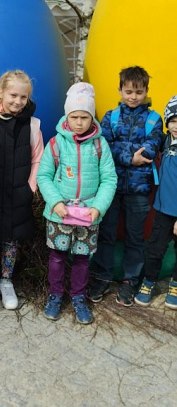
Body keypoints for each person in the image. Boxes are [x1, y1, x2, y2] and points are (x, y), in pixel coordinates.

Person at [37, 83, 117, 323]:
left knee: (82, 259)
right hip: (59, 214)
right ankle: (55, 294)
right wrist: (55, 202)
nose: (79, 123)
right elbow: (44, 175)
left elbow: (109, 178)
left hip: (89, 215)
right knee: (57, 257)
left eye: (84, 117)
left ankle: (79, 296)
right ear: (66, 116)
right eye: (74, 117)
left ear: (92, 117)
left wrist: (98, 207)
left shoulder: (100, 145)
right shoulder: (56, 143)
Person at [88, 66, 164, 306]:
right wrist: (131, 157)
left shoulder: (154, 119)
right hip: (110, 186)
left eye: (139, 92)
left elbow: (152, 147)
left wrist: (124, 150)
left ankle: (131, 280)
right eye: (129, 91)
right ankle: (101, 276)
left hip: (139, 189)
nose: (133, 97)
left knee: (135, 237)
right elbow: (103, 146)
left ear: (146, 91)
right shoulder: (110, 117)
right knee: (106, 233)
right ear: (120, 89)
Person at [0, 70, 44, 314]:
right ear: (1, 92)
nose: (18, 101)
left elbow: (38, 158)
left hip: (18, 195)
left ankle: (6, 281)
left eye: (23, 97)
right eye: (13, 95)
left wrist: (30, 187)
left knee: (12, 241)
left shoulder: (33, 125)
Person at [135, 95, 177, 309]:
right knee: (155, 249)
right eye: (173, 121)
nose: (176, 126)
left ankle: (175, 285)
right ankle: (149, 281)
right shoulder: (166, 140)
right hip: (163, 210)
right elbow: (150, 140)